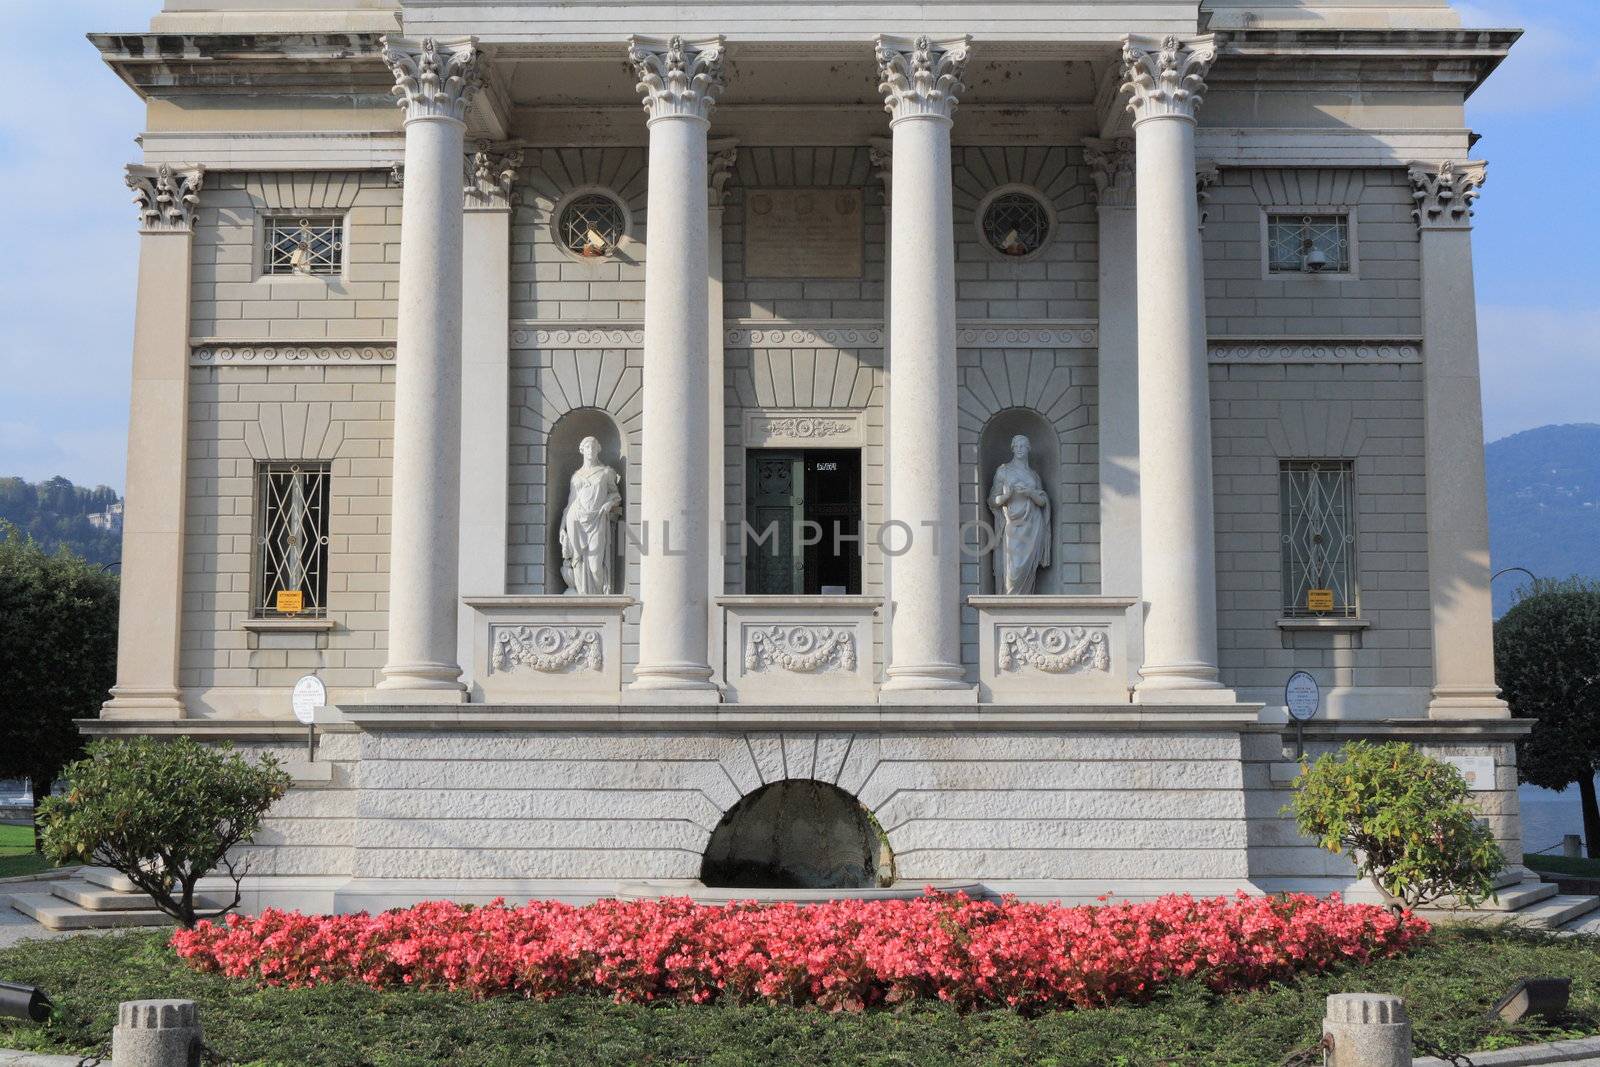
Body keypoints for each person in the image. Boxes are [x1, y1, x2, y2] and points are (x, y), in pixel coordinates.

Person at [558, 436, 622, 594]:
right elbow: (570, 503)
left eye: (593, 447)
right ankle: (583, 597)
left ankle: (598, 600)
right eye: (587, 447)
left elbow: (616, 495)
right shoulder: (576, 476)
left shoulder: (606, 472)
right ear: (582, 450)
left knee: (595, 565)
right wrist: (561, 528)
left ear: (598, 449)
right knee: (578, 561)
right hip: (576, 519)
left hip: (597, 519)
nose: (591, 450)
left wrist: (608, 504)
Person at [989, 434, 1050, 594]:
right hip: (1012, 523)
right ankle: (1009, 601)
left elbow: (1042, 502)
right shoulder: (1004, 471)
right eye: (1016, 446)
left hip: (1033, 524)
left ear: (1028, 448)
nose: (1019, 449)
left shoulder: (1034, 475)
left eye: (1023, 446)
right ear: (1012, 449)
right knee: (1013, 570)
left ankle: (1025, 600)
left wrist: (1030, 492)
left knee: (1028, 568)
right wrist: (1006, 496)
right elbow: (993, 501)